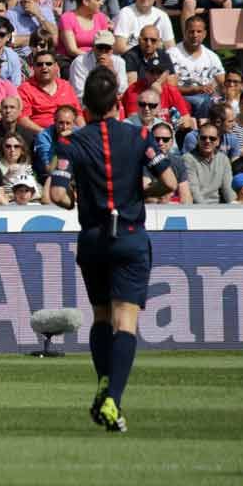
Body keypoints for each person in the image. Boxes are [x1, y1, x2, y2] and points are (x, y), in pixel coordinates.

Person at [49, 66, 176, 433]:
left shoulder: (70, 143)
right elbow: (168, 181)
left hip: (93, 239)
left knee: (102, 318)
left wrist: (75, 198)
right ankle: (112, 399)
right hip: (131, 237)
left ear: (84, 104)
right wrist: (139, 193)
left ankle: (104, 385)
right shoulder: (139, 135)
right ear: (119, 101)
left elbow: (57, 194)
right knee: (126, 322)